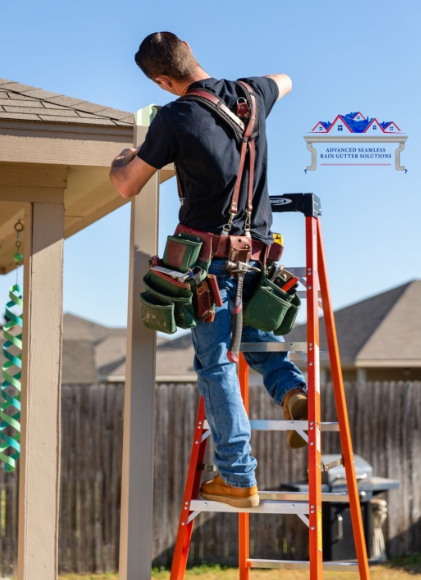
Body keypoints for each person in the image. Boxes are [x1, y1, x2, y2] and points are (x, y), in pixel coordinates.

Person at [110, 32, 308, 508]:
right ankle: (293, 392)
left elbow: (126, 187)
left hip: (208, 262)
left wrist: (123, 158)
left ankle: (238, 476)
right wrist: (259, 89)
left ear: (163, 80)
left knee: (215, 363)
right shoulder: (251, 96)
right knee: (258, 345)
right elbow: (286, 79)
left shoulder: (174, 117)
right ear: (191, 53)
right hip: (258, 258)